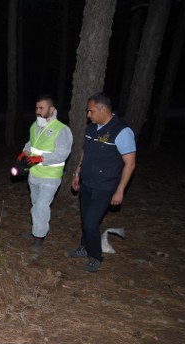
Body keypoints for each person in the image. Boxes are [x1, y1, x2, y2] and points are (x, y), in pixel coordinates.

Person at [70, 93, 136, 272]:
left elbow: (130, 163)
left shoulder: (122, 131)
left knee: (91, 223)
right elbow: (85, 153)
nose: (88, 115)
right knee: (85, 219)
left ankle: (96, 256)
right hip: (88, 182)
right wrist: (77, 173)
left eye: (90, 111)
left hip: (106, 186)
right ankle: (84, 247)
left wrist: (120, 190)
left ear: (103, 110)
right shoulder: (92, 128)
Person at [16, 95, 73, 255]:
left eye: (41, 108)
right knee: (35, 204)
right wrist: (24, 152)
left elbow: (62, 154)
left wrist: (41, 158)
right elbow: (31, 143)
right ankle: (37, 230)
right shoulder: (35, 125)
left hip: (50, 176)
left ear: (52, 110)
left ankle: (39, 238)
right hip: (34, 174)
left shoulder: (62, 130)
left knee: (41, 206)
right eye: (36, 108)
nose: (38, 111)